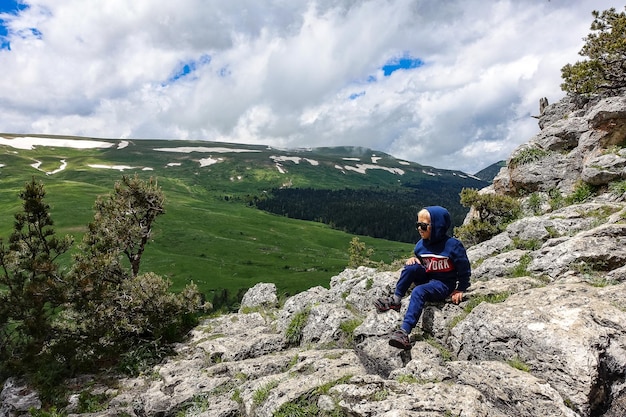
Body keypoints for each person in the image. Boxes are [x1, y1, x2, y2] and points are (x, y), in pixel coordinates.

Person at [374, 205, 471, 350]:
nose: (419, 228)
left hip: (443, 284)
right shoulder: (421, 245)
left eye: (423, 226)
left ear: (438, 226)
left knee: (419, 291)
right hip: (428, 276)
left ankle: (404, 331)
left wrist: (460, 288)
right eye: (417, 225)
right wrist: (415, 261)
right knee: (410, 268)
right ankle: (395, 300)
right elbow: (423, 260)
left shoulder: (453, 246)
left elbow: (464, 270)